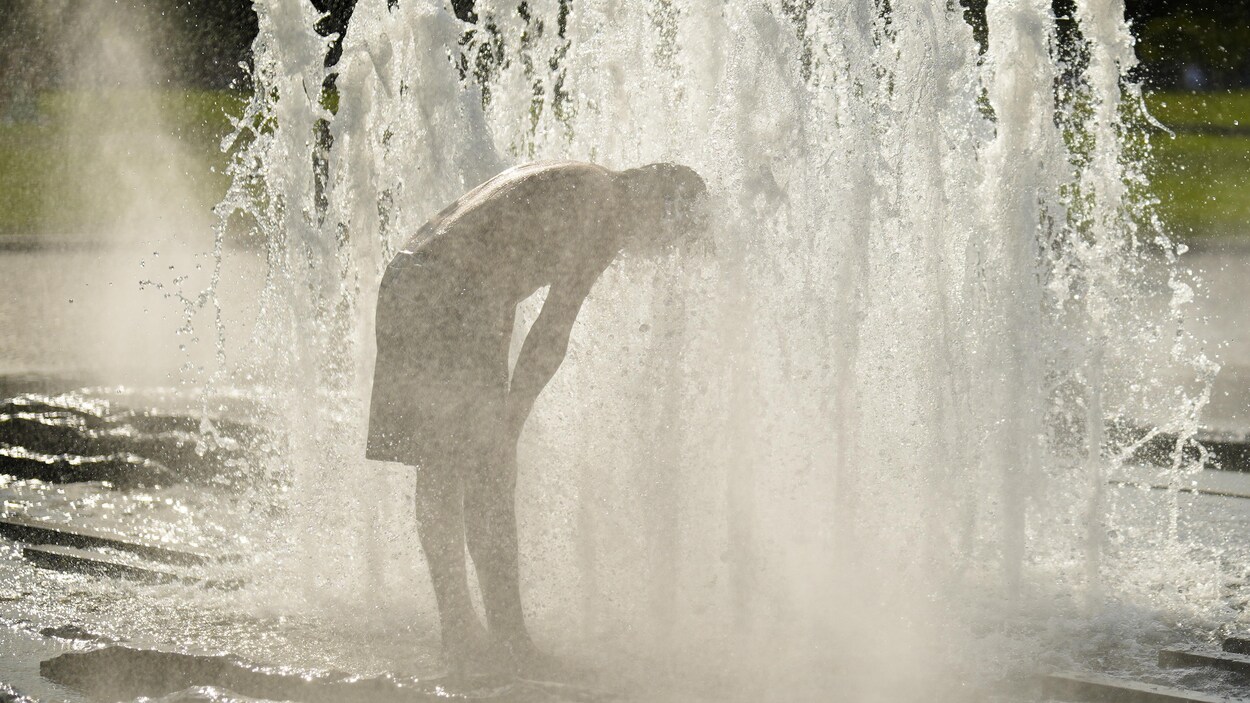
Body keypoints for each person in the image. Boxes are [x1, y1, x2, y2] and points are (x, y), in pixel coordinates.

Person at [366, 160, 707, 673]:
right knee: (488, 472)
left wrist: (505, 417)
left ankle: (459, 627)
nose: (654, 254)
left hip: (409, 278)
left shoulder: (583, 181)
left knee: (441, 465)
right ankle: (507, 638)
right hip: (453, 295)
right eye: (667, 238)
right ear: (656, 209)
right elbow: (552, 330)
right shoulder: (606, 211)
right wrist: (511, 422)